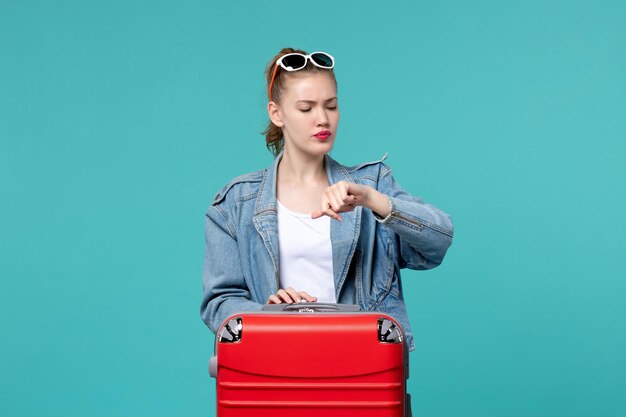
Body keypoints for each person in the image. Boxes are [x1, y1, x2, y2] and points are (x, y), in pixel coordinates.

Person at [200, 48, 453, 351]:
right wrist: (270, 316)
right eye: (306, 108)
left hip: (362, 366)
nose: (322, 119)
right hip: (277, 368)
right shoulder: (235, 204)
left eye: (331, 106)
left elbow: (439, 240)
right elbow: (219, 303)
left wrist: (372, 200)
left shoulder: (371, 184)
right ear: (276, 113)